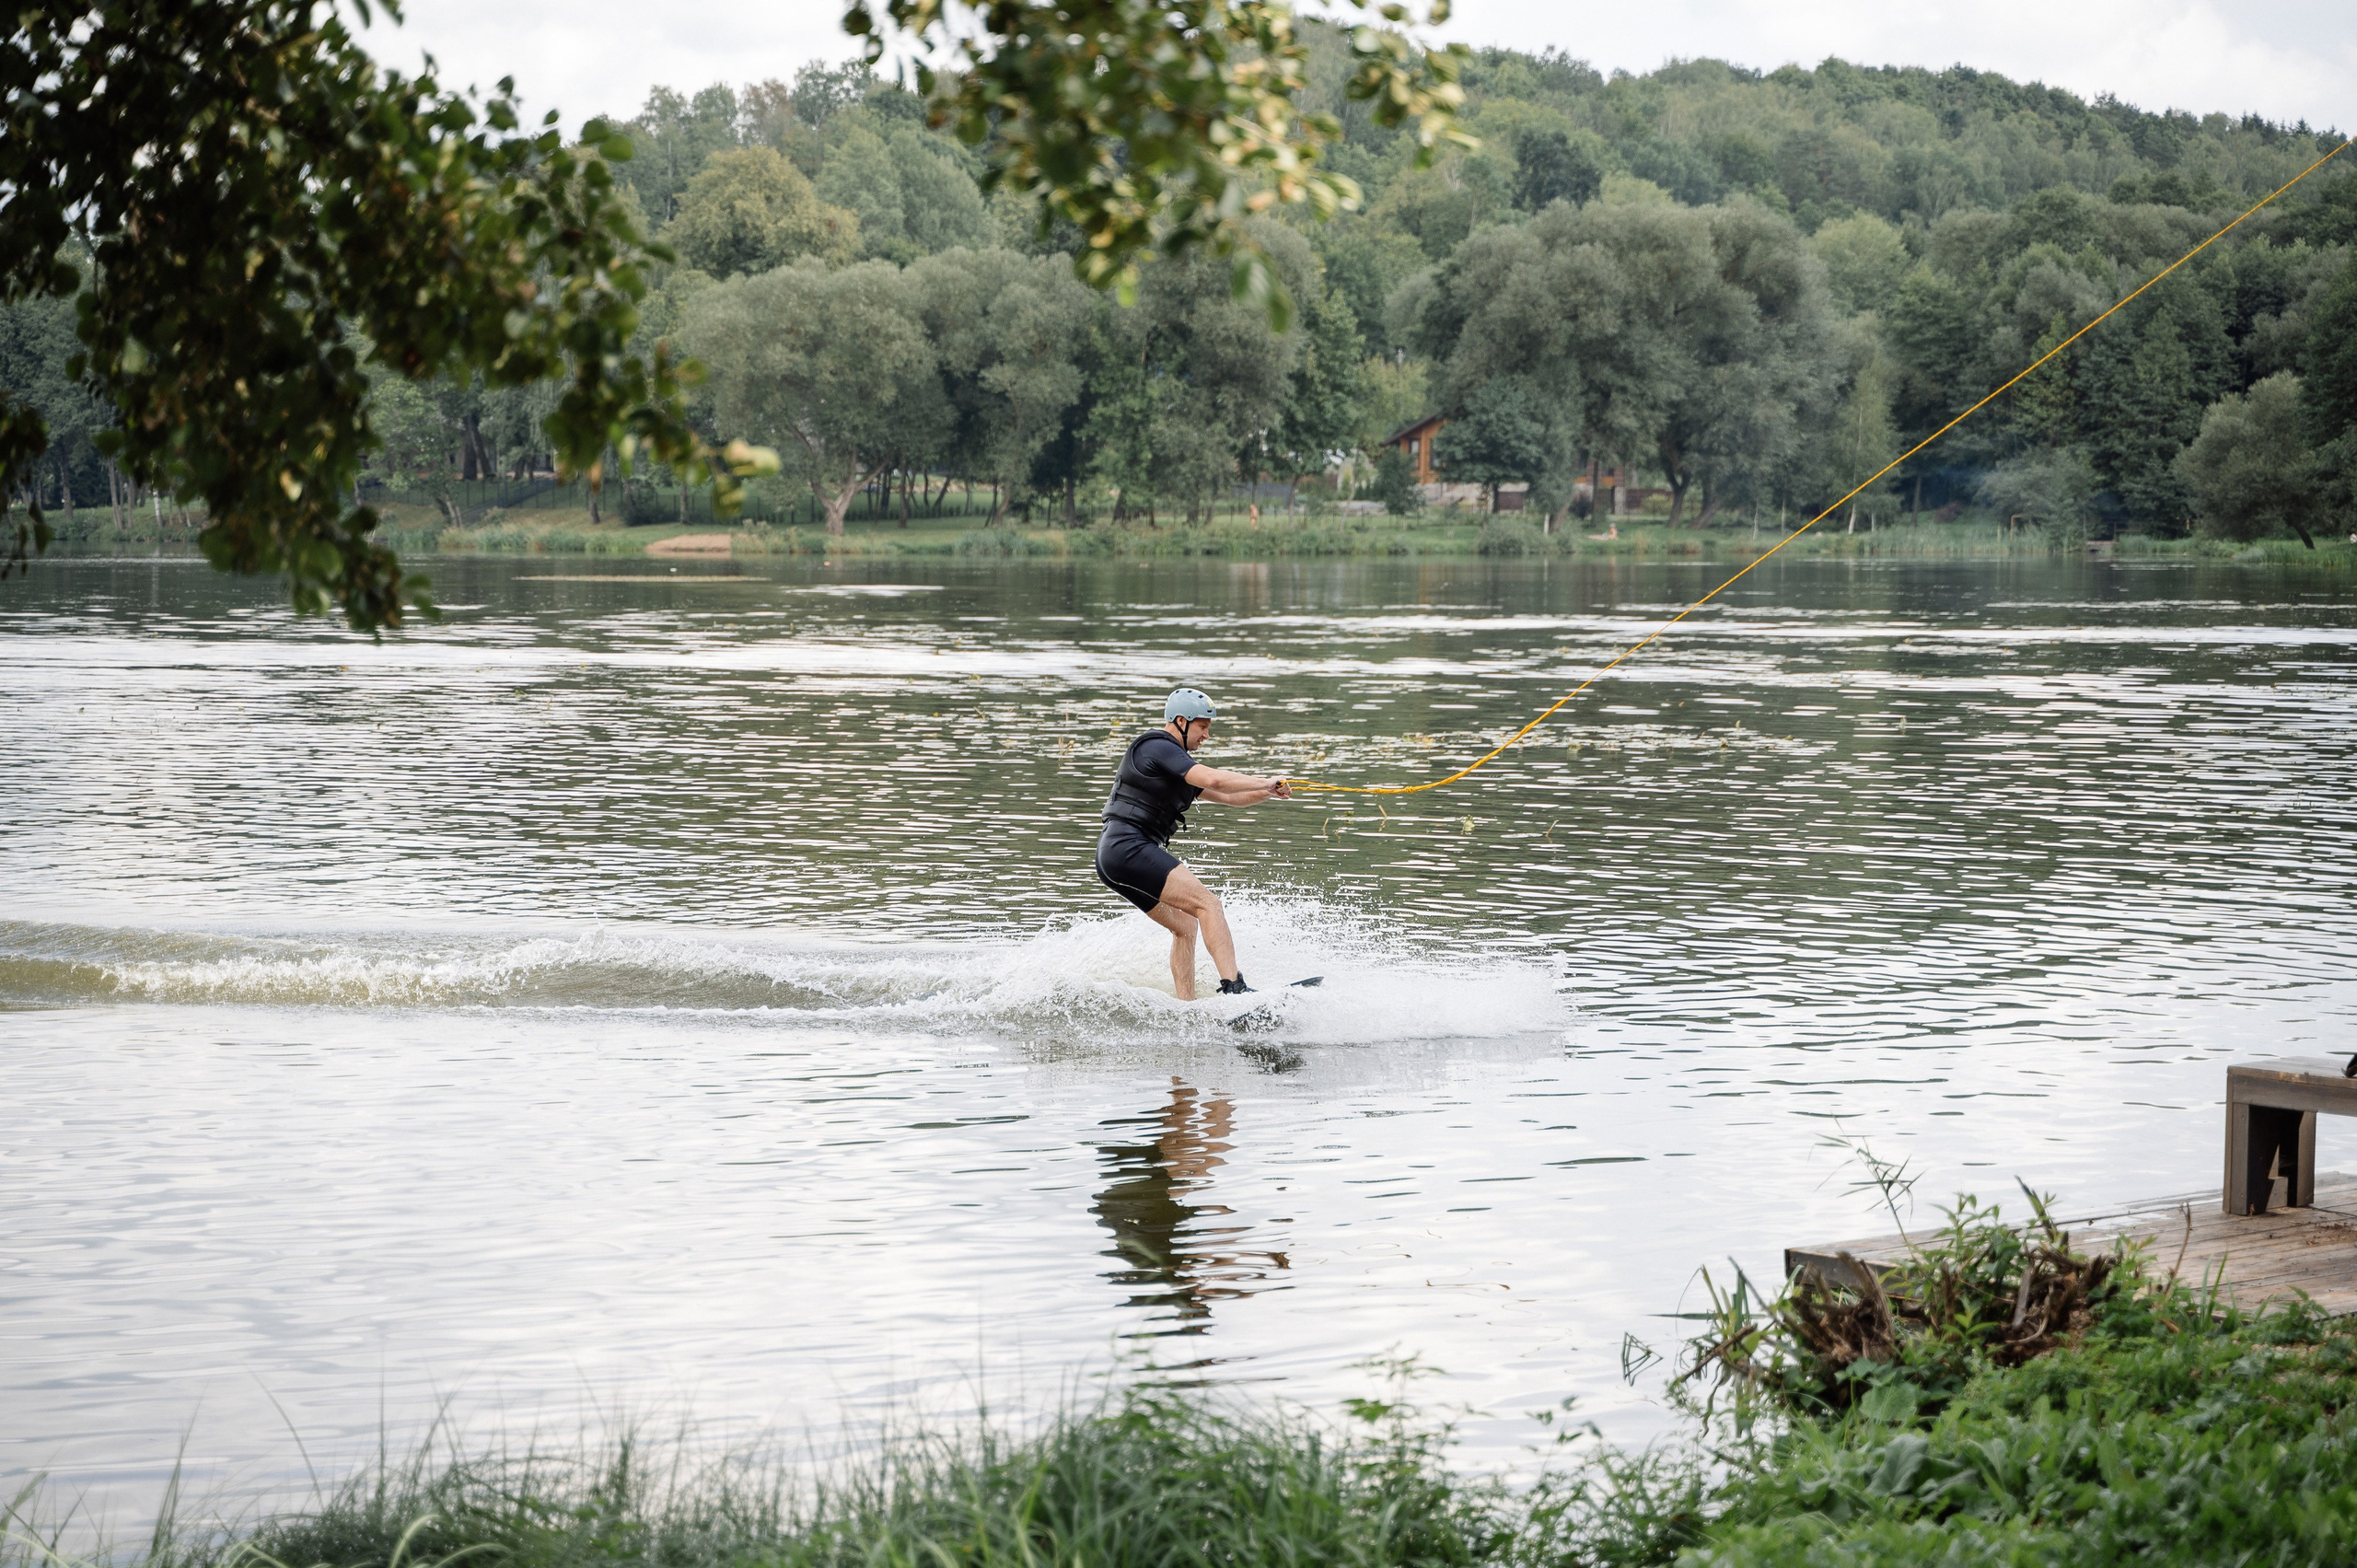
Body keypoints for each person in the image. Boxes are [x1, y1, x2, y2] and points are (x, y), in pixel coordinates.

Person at [1096, 688, 1292, 999]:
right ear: (1181, 721)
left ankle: (1186, 1007)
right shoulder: (1157, 747)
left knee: (1186, 925)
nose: (1206, 736)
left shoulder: (1175, 766)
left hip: (1114, 857)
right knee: (1209, 905)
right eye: (1203, 727)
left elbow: (1228, 796)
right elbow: (1214, 779)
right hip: (1128, 846)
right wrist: (1264, 780)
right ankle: (1235, 990)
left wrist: (1267, 793)